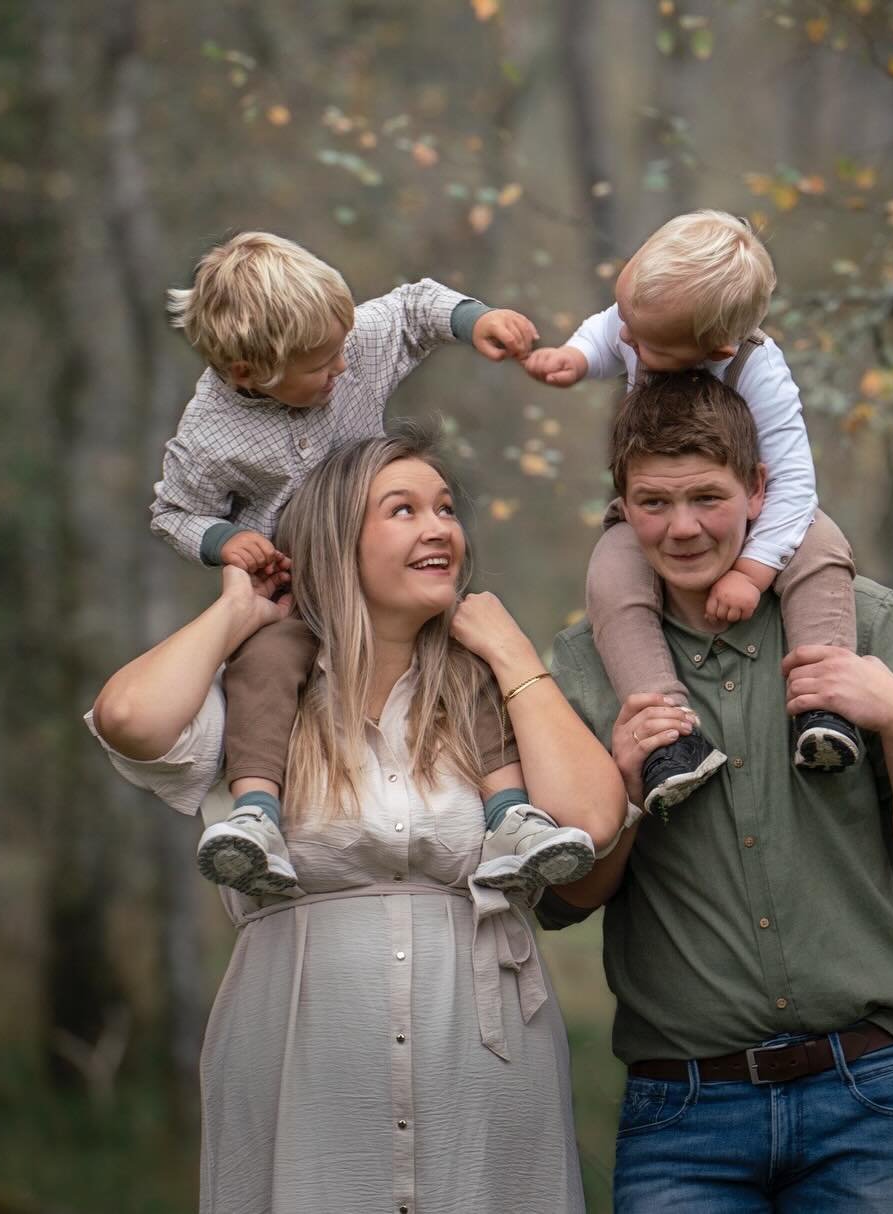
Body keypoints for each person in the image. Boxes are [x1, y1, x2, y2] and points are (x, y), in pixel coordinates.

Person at [88, 433, 626, 1213]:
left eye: (445, 509)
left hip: (482, 1073)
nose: (439, 527)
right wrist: (237, 610)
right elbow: (130, 717)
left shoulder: (482, 693)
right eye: (402, 510)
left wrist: (512, 657)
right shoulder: (262, 701)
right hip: (301, 1071)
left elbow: (592, 819)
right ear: (336, 542)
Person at [538, 373, 893, 1212]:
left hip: (867, 1093)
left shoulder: (865, 621)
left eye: (708, 497)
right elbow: (562, 898)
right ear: (621, 504)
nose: (682, 528)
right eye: (654, 502)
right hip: (683, 1112)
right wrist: (625, 794)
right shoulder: (577, 668)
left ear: (758, 489)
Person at [151, 230, 595, 898]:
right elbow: (172, 511)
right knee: (265, 664)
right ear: (249, 372)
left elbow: (415, 307)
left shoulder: (351, 341)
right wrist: (222, 542)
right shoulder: (209, 434)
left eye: (342, 350)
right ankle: (256, 816)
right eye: (320, 366)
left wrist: (475, 321)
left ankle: (511, 817)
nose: (341, 371)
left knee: (459, 651)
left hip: (382, 574)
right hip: (296, 591)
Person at [523, 210, 860, 817]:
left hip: (760, 515)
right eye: (624, 316)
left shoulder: (755, 369)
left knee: (823, 545)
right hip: (670, 495)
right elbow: (607, 331)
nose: (626, 341)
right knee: (612, 569)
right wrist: (575, 358)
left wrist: (753, 571)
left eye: (645, 341)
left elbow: (792, 485)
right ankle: (669, 735)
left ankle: (826, 701)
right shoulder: (639, 322)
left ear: (715, 350)